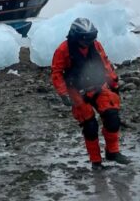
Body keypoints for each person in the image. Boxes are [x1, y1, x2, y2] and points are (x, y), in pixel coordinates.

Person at [51, 18, 131, 170]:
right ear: (76, 36)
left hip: (98, 85)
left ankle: (113, 152)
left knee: (112, 117)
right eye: (85, 38)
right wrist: (63, 93)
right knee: (90, 126)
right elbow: (56, 72)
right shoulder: (63, 50)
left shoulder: (96, 45)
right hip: (77, 90)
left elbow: (105, 64)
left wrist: (113, 82)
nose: (88, 41)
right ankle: (96, 161)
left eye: (91, 37)